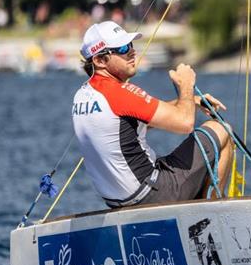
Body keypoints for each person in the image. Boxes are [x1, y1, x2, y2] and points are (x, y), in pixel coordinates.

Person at [72, 21, 234, 208]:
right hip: (152, 194)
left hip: (117, 201)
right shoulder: (119, 93)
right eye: (123, 48)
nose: (132, 52)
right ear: (99, 61)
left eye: (131, 45)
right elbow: (185, 123)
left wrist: (192, 101)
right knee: (220, 129)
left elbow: (134, 123)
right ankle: (211, 214)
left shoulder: (82, 95)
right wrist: (186, 85)